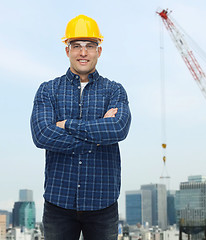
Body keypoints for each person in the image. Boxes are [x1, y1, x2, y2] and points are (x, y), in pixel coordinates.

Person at [30, 15, 131, 240]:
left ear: (99, 51)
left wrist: (67, 125)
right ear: (67, 51)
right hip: (59, 203)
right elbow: (42, 134)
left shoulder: (115, 91)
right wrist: (97, 135)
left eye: (89, 46)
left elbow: (118, 129)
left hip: (103, 204)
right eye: (76, 46)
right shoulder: (48, 90)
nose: (83, 52)